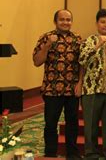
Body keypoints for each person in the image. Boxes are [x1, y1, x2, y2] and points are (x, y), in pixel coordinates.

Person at [32, 9, 82, 158]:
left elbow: (82, 64)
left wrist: (80, 83)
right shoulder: (45, 37)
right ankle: (50, 153)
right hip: (51, 89)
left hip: (72, 88)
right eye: (62, 19)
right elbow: (37, 62)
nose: (65, 22)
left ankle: (72, 153)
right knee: (51, 124)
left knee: (72, 123)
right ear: (55, 21)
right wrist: (47, 45)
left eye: (68, 20)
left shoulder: (77, 39)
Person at [79, 8, 106, 159]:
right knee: (91, 125)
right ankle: (91, 153)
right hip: (92, 90)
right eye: (103, 22)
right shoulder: (89, 41)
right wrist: (97, 46)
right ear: (97, 24)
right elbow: (82, 60)